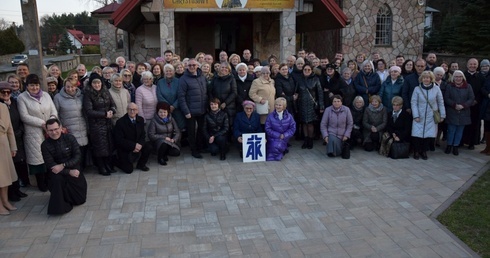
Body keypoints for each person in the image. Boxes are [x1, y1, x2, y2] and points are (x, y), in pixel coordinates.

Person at [17, 74, 58, 192]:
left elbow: (53, 109)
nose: (34, 88)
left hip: (50, 130)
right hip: (34, 133)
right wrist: (42, 123)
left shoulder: (45, 95)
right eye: (31, 85)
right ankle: (41, 183)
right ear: (27, 86)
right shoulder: (22, 98)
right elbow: (24, 116)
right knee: (38, 158)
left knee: (51, 155)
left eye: (36, 85)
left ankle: (51, 180)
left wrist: (52, 121)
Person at [41, 118, 87, 215]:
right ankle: (60, 207)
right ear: (47, 131)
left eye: (56, 129)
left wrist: (64, 166)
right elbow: (50, 165)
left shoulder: (70, 138)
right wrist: (67, 172)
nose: (54, 132)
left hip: (73, 167)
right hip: (57, 172)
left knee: (80, 200)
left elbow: (78, 156)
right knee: (56, 179)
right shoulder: (44, 145)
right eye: (51, 130)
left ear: (61, 128)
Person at [83, 73, 116, 176]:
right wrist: (104, 114)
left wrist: (112, 111)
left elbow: (113, 104)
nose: (97, 85)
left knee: (108, 145)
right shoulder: (88, 94)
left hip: (108, 123)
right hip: (96, 125)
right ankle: (101, 167)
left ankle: (108, 165)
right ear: (91, 84)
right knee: (99, 147)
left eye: (98, 82)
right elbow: (89, 111)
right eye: (94, 83)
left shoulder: (105, 91)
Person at [53, 78, 89, 171]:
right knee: (73, 150)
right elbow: (55, 114)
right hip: (68, 128)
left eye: (72, 86)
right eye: (68, 86)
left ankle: (82, 169)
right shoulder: (58, 97)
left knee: (83, 149)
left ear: (76, 87)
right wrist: (60, 126)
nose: (70, 89)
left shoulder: (81, 96)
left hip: (82, 126)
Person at [411, 71, 446, 160]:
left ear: (431, 79)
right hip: (419, 115)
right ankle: (416, 151)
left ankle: (424, 151)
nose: (426, 79)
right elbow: (414, 102)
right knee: (417, 135)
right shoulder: (417, 89)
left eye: (428, 78)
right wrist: (416, 115)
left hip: (431, 116)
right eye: (424, 77)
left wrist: (442, 115)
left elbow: (440, 102)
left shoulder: (436, 89)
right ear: (421, 79)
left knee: (428, 135)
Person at [178, 58, 208, 159]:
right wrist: (186, 111)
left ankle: (200, 147)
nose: (192, 67)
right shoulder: (183, 79)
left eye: (194, 65)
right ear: (187, 66)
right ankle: (193, 150)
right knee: (191, 132)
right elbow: (181, 96)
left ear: (197, 66)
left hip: (202, 109)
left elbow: (205, 93)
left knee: (201, 129)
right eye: (190, 65)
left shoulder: (202, 77)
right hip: (190, 111)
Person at [113, 103, 152, 173]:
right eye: (130, 109)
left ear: (137, 111)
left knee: (148, 147)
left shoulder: (140, 120)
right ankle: (115, 160)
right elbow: (119, 140)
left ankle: (141, 165)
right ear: (127, 110)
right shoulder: (120, 122)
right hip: (125, 147)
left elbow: (143, 135)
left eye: (134, 109)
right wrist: (133, 146)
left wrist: (140, 145)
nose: (132, 111)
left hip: (137, 144)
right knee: (128, 170)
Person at [444, 70, 475, 155]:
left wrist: (463, 105)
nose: (458, 78)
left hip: (464, 112)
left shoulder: (468, 86)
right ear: (453, 78)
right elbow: (446, 98)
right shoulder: (449, 86)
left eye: (460, 77)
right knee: (451, 130)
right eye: (456, 77)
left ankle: (455, 146)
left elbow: (471, 98)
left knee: (459, 131)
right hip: (452, 111)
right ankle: (449, 145)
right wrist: (454, 105)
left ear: (463, 77)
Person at [296, 64, 323, 149]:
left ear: (312, 71)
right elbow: (296, 91)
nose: (307, 71)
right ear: (302, 70)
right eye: (305, 69)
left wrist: (321, 105)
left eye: (308, 70)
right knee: (304, 122)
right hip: (302, 104)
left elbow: (320, 93)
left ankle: (310, 140)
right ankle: (306, 139)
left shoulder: (316, 79)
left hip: (312, 104)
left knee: (310, 123)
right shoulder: (299, 79)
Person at [0, 97, 18, 215]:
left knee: (5, 176)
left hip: (4, 144)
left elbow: (10, 128)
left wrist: (13, 146)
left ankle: (5, 201)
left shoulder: (3, 107)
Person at [462, 58, 485, 150]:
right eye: (471, 64)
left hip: (476, 104)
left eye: (474, 64)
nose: (472, 66)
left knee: (474, 124)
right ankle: (462, 141)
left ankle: (472, 142)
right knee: (463, 123)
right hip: (464, 104)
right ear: (467, 65)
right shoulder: (462, 75)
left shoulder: (481, 77)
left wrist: (476, 100)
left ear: (477, 65)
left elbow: (482, 90)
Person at [157, 64, 185, 131]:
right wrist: (168, 106)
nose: (168, 72)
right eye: (167, 71)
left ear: (173, 72)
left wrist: (174, 106)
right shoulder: (160, 82)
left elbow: (181, 95)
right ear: (164, 72)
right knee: (167, 127)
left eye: (170, 71)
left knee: (179, 127)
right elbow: (159, 95)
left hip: (177, 109)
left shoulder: (178, 81)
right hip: (165, 110)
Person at [209, 62, 237, 128]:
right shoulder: (215, 78)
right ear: (219, 68)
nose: (224, 69)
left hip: (229, 107)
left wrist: (225, 103)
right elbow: (210, 91)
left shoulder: (232, 79)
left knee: (229, 126)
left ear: (229, 69)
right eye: (222, 67)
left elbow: (234, 93)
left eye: (226, 68)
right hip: (216, 106)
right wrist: (214, 102)